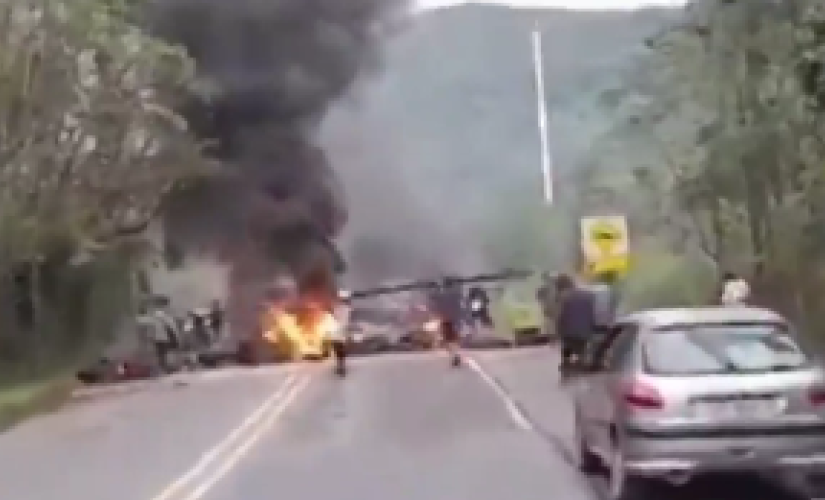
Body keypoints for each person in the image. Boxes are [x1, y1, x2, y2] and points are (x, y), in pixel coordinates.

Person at [555, 274, 596, 371]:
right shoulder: (588, 295)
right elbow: (593, 313)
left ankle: (567, 364)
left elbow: (560, 316)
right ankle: (581, 365)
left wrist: (558, 332)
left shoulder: (564, 297)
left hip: (569, 334)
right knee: (582, 355)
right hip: (585, 332)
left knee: (566, 354)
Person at [431, 279, 465, 367]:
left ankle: (455, 355)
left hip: (447, 320)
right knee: (453, 339)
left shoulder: (444, 296)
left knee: (448, 341)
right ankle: (456, 355)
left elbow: (435, 298)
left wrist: (435, 288)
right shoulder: (455, 294)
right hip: (454, 319)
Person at [588, 270, 619, 335]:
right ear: (611, 280)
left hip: (592, 322)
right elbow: (613, 310)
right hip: (605, 325)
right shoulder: (613, 293)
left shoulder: (592, 290)